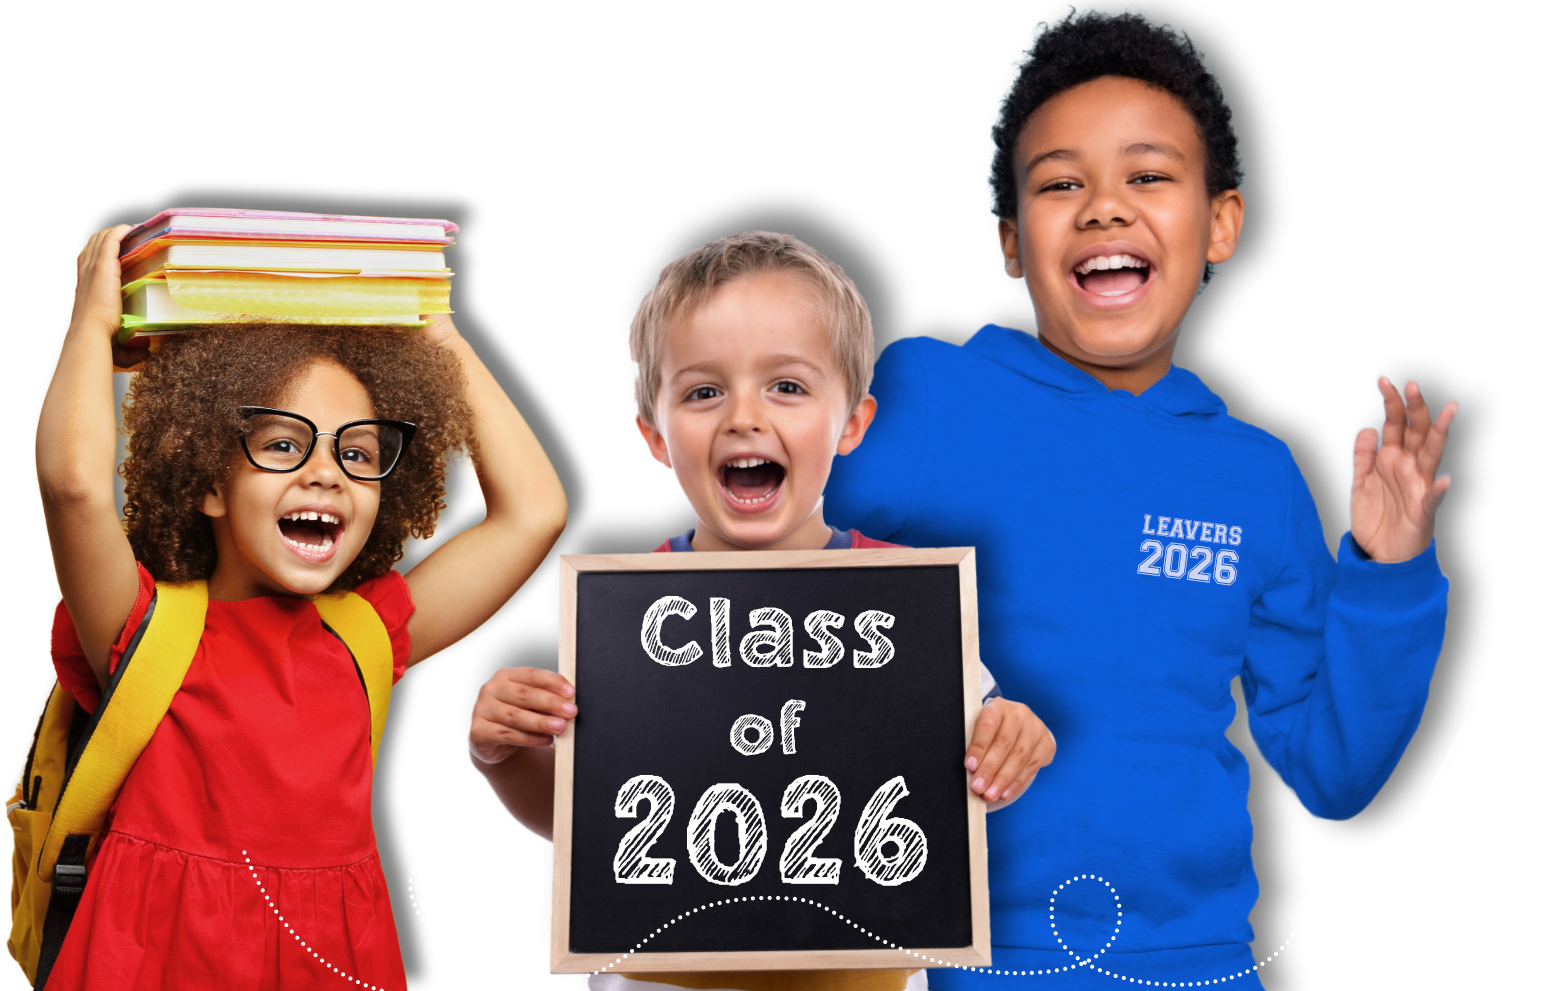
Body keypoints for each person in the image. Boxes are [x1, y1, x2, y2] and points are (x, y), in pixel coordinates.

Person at [820, 7, 1459, 989]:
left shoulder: (1256, 476)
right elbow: (748, 558)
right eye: (1060, 182)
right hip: (939, 961)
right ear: (1007, 239)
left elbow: (1332, 773)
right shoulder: (922, 397)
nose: (1105, 208)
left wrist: (1389, 571)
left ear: (1221, 224)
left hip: (1192, 969)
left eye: (1148, 176)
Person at [467, 231, 1057, 991]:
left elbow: (969, 775)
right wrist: (505, 754)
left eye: (787, 386)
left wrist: (1017, 738)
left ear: (852, 423)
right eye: (704, 391)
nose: (744, 417)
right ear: (655, 435)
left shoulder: (906, 605)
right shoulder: (624, 616)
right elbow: (588, 825)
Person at [33, 223, 569, 990]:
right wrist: (90, 323)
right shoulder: (142, 625)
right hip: (153, 958)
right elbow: (75, 485)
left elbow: (534, 513)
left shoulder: (365, 632)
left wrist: (431, 323)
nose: (326, 474)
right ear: (208, 482)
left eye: (356, 452)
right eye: (283, 444)